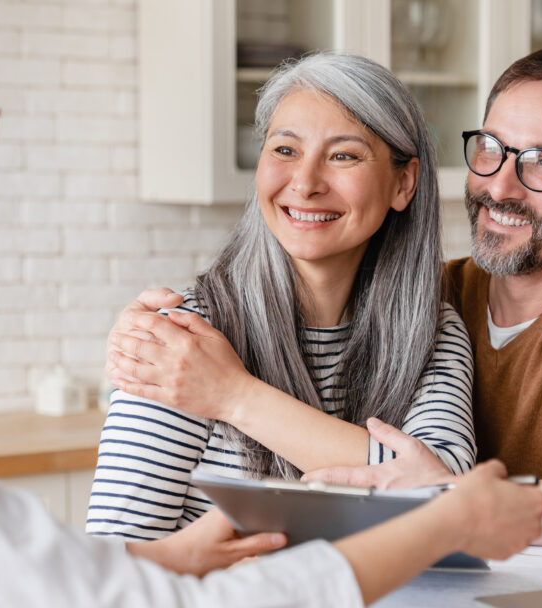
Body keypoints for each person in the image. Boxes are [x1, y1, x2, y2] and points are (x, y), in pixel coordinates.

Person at [0, 1, 542, 606]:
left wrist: (168, 551)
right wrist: (442, 522)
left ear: (404, 181)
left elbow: (43, 585)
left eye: (343, 155)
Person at [110, 49, 542, 552]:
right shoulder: (436, 299)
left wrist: (457, 502)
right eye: (492, 150)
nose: (501, 184)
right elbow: (113, 559)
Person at [91, 52, 476, 541]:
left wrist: (235, 396)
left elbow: (444, 495)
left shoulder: (432, 330)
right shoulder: (185, 341)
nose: (306, 183)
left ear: (404, 183)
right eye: (285, 150)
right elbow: (115, 562)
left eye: (343, 155)